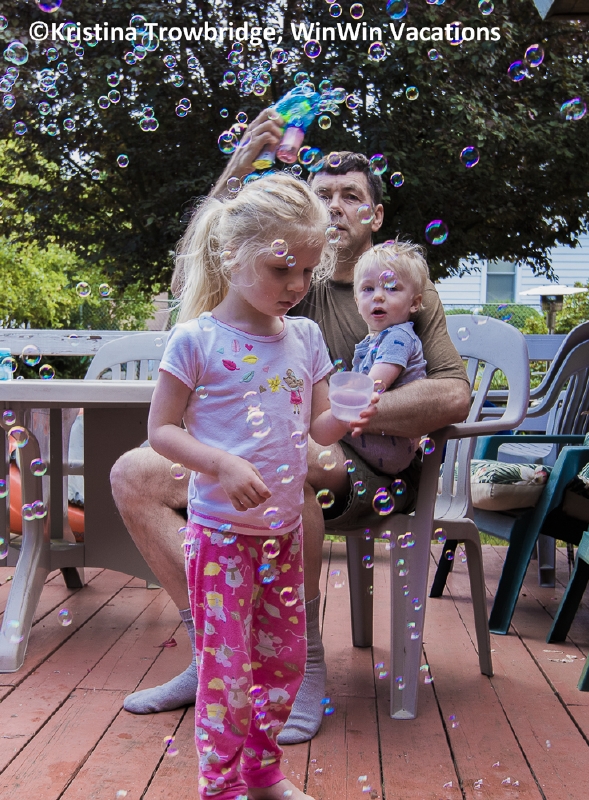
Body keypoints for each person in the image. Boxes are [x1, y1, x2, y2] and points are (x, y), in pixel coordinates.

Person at [111, 107, 470, 744]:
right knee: (133, 474)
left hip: (365, 466)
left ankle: (304, 664)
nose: (334, 205)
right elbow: (202, 264)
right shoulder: (273, 281)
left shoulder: (399, 286)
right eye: (321, 193)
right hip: (263, 448)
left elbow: (453, 394)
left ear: (375, 216)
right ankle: (210, 652)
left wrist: (352, 410)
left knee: (291, 458)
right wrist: (240, 163)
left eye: (350, 195)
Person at [149, 173, 377, 800]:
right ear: (232, 256)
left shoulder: (305, 337)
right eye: (283, 269)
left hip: (282, 536)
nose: (298, 285)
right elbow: (161, 430)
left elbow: (319, 427)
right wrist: (220, 464)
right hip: (220, 539)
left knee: (281, 664)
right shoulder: (197, 340)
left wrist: (348, 416)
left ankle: (262, 773)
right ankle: (220, 786)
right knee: (225, 676)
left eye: (308, 270)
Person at [341, 239, 428, 475]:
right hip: (382, 439)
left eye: (391, 288)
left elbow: (373, 385)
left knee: (317, 427)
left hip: (392, 445)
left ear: (414, 303)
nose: (378, 296)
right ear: (357, 302)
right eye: (368, 289)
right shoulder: (373, 341)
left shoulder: (398, 337)